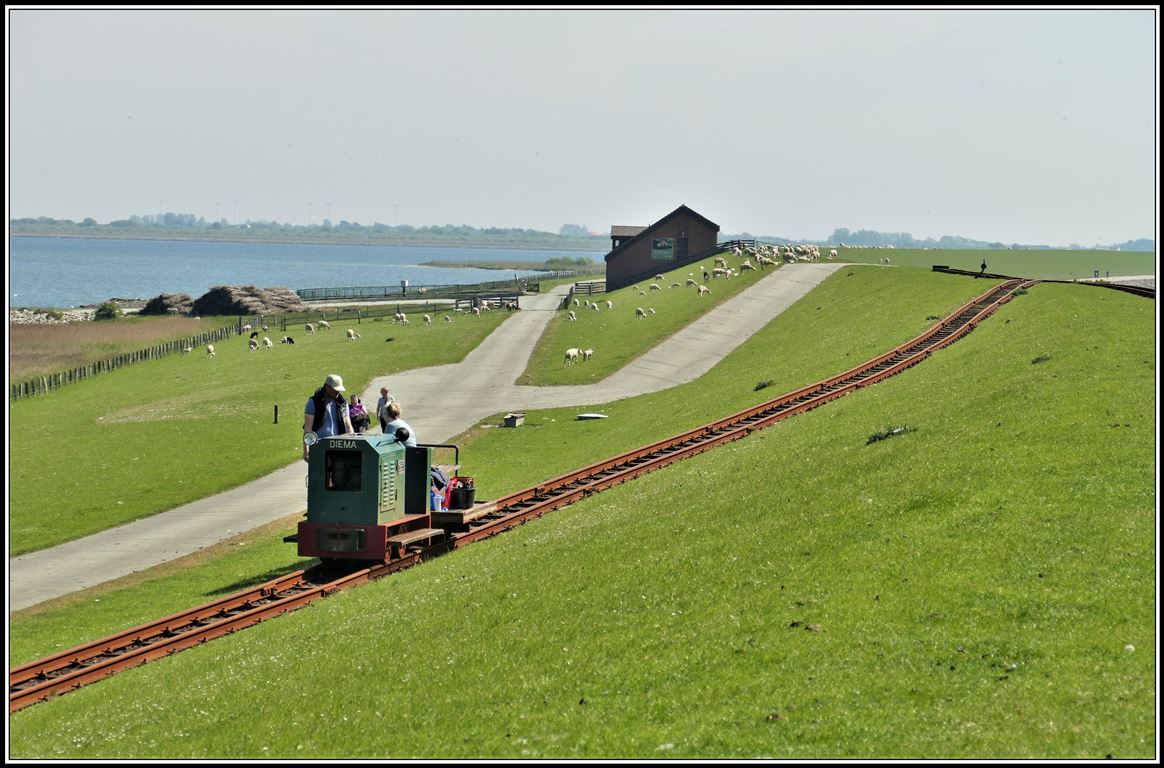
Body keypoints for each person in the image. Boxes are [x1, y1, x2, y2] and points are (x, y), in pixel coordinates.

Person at [303, 373, 353, 461]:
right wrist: (306, 450)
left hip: (339, 447)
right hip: (318, 447)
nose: (338, 392)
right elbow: (308, 428)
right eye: (335, 390)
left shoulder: (342, 404)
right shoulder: (313, 402)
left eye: (339, 390)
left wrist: (353, 445)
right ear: (327, 387)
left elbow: (348, 426)